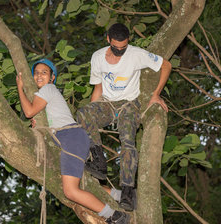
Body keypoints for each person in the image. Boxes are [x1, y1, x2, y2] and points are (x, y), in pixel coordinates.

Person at [16, 58, 131, 224]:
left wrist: (20, 88)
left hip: (71, 138)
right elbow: (39, 117)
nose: (39, 75)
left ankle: (115, 216)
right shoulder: (48, 95)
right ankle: (122, 195)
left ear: (52, 78)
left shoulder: (48, 89)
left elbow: (28, 111)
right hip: (72, 139)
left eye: (44, 72)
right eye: (36, 73)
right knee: (82, 187)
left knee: (70, 191)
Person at [76, 23, 172, 211]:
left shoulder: (136, 54)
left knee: (127, 141)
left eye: (123, 47)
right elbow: (97, 89)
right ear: (108, 40)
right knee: (83, 113)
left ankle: (128, 191)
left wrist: (156, 94)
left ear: (128, 42)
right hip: (107, 104)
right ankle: (98, 161)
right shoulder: (97, 57)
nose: (120, 51)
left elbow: (166, 65)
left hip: (129, 105)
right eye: (116, 47)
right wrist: (90, 117)